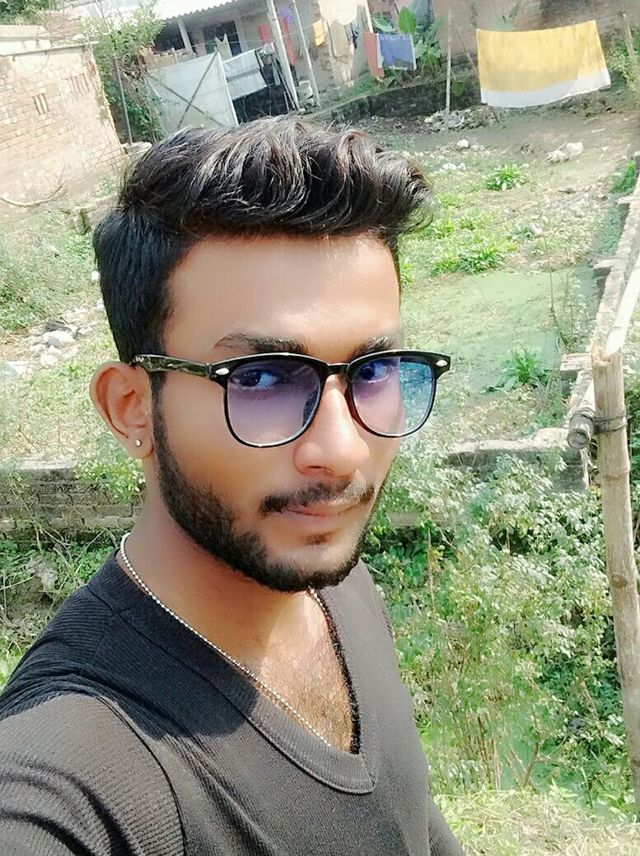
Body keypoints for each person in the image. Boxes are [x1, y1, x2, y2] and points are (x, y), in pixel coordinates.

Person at [0, 117, 461, 855]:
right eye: (264, 380)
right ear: (132, 408)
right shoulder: (79, 772)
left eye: (373, 372)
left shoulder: (334, 584)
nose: (342, 452)